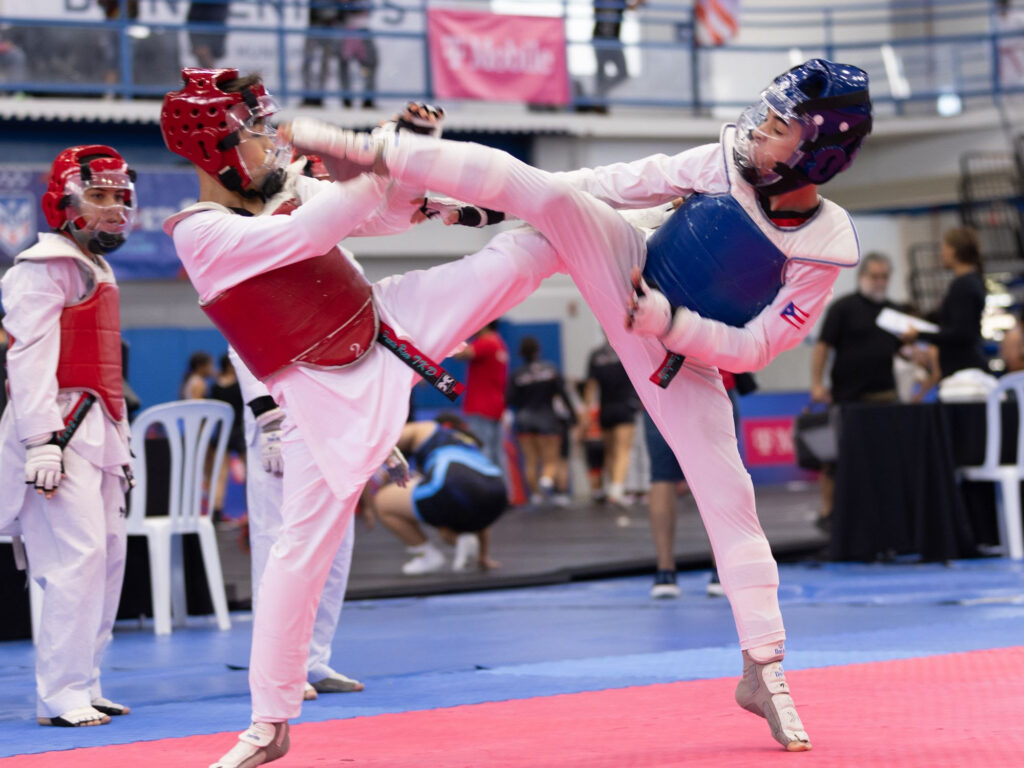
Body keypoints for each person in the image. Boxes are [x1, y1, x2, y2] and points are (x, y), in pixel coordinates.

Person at [292, 57, 873, 751]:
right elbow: (612, 183)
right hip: (629, 268)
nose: (757, 132)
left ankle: (763, 670)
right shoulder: (723, 161)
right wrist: (475, 206)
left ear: (819, 153)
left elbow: (759, 347)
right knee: (551, 213)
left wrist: (672, 324)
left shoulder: (825, 244)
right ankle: (384, 162)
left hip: (681, 350)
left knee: (730, 497)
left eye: (778, 128)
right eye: (765, 116)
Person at [160, 68, 560, 767]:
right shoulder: (200, 233)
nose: (272, 145)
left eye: (270, 129)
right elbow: (318, 228)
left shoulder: (288, 187)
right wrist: (384, 154)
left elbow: (388, 215)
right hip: (317, 395)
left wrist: (405, 157)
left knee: (530, 250)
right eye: (256, 134)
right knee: (297, 552)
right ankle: (268, 723)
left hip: (388, 324)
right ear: (213, 150)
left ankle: (643, 224)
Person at [0, 145, 137, 727]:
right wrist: (40, 441)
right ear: (64, 201)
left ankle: (87, 680)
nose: (112, 209)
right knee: (75, 558)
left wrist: (122, 441)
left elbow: (104, 365)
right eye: (98, 196)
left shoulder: (94, 265)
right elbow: (27, 358)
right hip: (57, 428)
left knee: (107, 555)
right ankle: (60, 694)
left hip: (100, 426)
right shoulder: (41, 266)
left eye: (119, 197)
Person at [228, 347, 364, 701]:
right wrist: (266, 414)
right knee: (278, 540)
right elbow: (239, 338)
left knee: (337, 539)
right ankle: (279, 667)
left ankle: (314, 660)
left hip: (334, 408)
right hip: (280, 407)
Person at [810, 252, 904, 528]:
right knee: (835, 460)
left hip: (885, 398)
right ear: (862, 276)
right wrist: (816, 383)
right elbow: (822, 347)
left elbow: (905, 351)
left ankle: (881, 515)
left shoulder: (894, 312)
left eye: (885, 277)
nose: (880, 282)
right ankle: (829, 512)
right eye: (875, 276)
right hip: (847, 398)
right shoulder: (842, 308)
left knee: (885, 461)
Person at [368, 416, 506, 574]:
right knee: (447, 526)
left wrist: (386, 465)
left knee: (383, 502)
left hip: (451, 485)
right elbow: (476, 496)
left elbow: (382, 442)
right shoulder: (467, 443)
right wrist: (483, 555)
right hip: (497, 492)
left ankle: (426, 555)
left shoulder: (427, 428)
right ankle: (464, 541)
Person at [902, 227, 989, 400]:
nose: (942, 254)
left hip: (962, 375)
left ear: (954, 251)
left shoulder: (964, 285)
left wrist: (919, 335)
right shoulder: (971, 282)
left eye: (944, 248)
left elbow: (960, 332)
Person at [506, 336, 574, 504]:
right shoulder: (550, 369)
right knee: (551, 460)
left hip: (525, 421)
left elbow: (509, 399)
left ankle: (536, 495)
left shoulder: (517, 374)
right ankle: (546, 480)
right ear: (538, 351)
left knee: (530, 461)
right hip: (547, 420)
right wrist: (573, 415)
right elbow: (563, 394)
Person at [583, 335, 641, 506]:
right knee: (622, 450)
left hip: (606, 409)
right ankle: (617, 489)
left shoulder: (596, 355)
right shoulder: (626, 349)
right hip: (625, 407)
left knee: (610, 451)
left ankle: (613, 487)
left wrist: (587, 413)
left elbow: (590, 386)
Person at [453, 319, 509, 471]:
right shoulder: (498, 343)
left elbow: (459, 354)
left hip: (480, 407)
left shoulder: (486, 342)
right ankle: (500, 486)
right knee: (497, 455)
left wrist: (457, 335)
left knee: (482, 452)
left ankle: (486, 485)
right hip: (495, 406)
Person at [586, 0, 645, 113]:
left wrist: (638, 3)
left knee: (623, 73)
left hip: (614, 41)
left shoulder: (620, 1)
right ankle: (599, 102)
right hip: (599, 40)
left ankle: (598, 96)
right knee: (600, 75)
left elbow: (630, 8)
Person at [187, 1, 231, 69]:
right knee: (201, 51)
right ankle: (209, 72)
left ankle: (210, 73)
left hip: (214, 22)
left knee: (204, 52)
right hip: (198, 22)